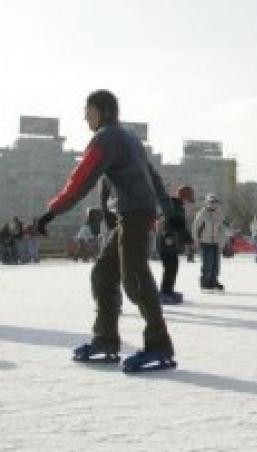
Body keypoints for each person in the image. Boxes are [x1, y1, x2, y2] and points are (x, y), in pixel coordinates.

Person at [34, 89, 176, 372]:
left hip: (134, 213)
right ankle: (106, 340)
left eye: (89, 111)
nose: (86, 117)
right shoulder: (129, 138)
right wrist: (167, 211)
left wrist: (51, 212)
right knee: (103, 273)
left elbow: (82, 177)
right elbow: (154, 176)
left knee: (135, 277)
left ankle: (159, 345)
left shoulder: (106, 137)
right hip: (132, 213)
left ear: (102, 112)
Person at [157, 185, 194, 304]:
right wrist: (167, 235)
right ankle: (164, 292)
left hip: (172, 243)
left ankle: (169, 290)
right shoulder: (172, 206)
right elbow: (164, 221)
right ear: (183, 197)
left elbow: (180, 226)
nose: (188, 203)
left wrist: (188, 239)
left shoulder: (179, 207)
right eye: (188, 200)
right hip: (166, 242)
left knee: (174, 267)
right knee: (169, 268)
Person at [193, 194, 226, 292]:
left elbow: (222, 230)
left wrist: (222, 243)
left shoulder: (219, 214)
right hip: (205, 242)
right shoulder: (201, 214)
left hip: (215, 242)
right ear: (206, 203)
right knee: (208, 263)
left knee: (216, 264)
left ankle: (213, 282)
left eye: (215, 202)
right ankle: (205, 283)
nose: (213, 204)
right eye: (210, 202)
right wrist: (196, 241)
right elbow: (195, 228)